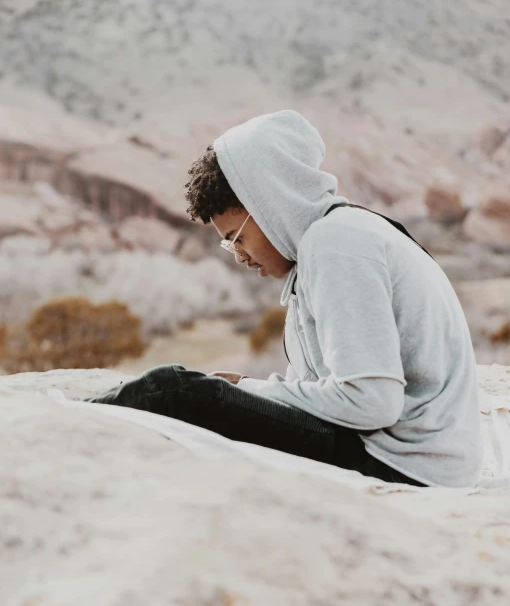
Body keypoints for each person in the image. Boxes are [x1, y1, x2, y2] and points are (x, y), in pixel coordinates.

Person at [86, 109, 483, 488]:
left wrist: (252, 393)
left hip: (403, 463)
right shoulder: (335, 239)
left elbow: (373, 402)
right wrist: (247, 387)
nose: (239, 254)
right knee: (195, 390)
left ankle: (71, 416)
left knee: (173, 390)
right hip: (412, 455)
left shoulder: (337, 245)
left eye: (237, 237)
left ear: (271, 204)